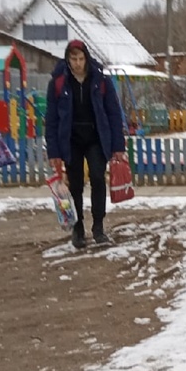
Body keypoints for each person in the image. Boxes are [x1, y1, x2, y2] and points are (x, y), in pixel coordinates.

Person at [44, 39, 127, 248]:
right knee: (76, 184)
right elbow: (52, 118)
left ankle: (98, 226)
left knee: (98, 177)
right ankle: (77, 228)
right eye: (74, 59)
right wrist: (54, 150)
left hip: (96, 137)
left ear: (86, 58)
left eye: (81, 58)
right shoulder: (58, 83)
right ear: (67, 59)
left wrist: (118, 146)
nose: (78, 63)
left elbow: (114, 113)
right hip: (70, 139)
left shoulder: (101, 80)